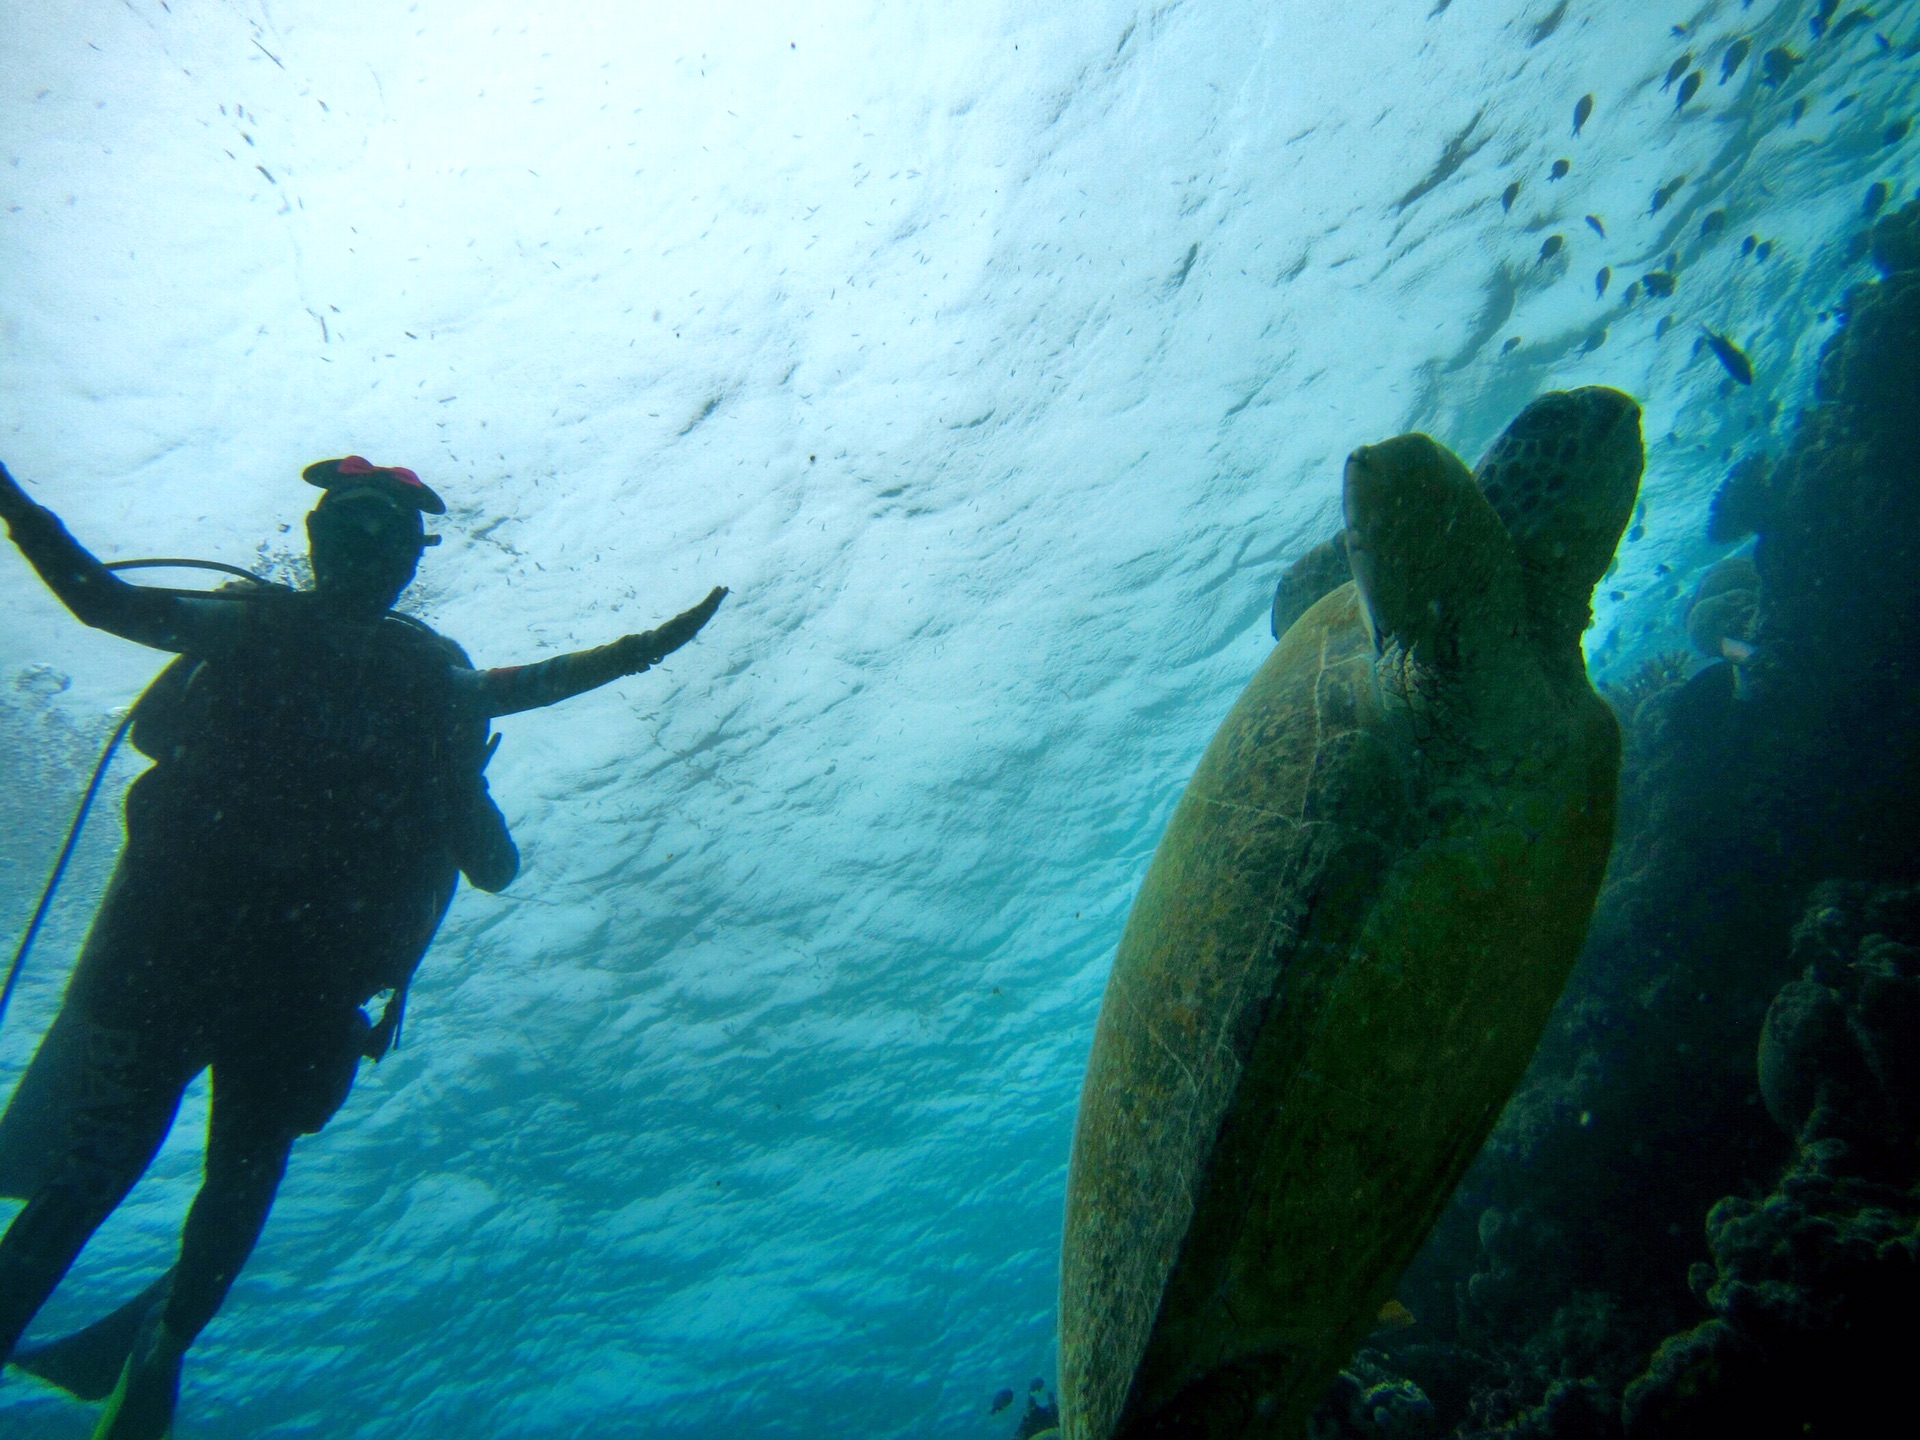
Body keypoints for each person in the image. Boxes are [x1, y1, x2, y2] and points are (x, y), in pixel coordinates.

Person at [0, 455, 725, 1439]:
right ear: (313, 539)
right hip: (225, 968)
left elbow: (101, 602)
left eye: (377, 532)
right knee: (139, 1171)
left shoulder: (407, 676)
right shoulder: (403, 675)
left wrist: (479, 762)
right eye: (345, 525)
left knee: (167, 1172)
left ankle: (162, 1341)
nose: (358, 550)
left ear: (405, 561)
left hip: (243, 976)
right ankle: (158, 1342)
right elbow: (100, 603)